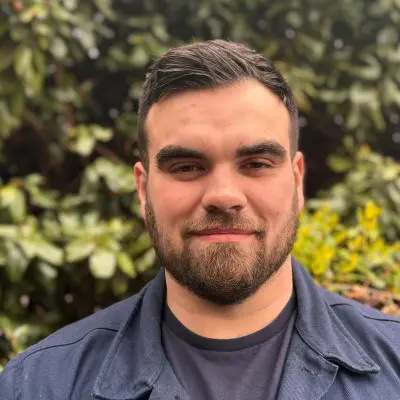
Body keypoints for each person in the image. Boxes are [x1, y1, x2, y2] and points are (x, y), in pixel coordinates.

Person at [1, 39, 399, 400]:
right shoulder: (38, 384)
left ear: (296, 182)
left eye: (257, 163)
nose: (223, 196)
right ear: (143, 189)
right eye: (187, 166)